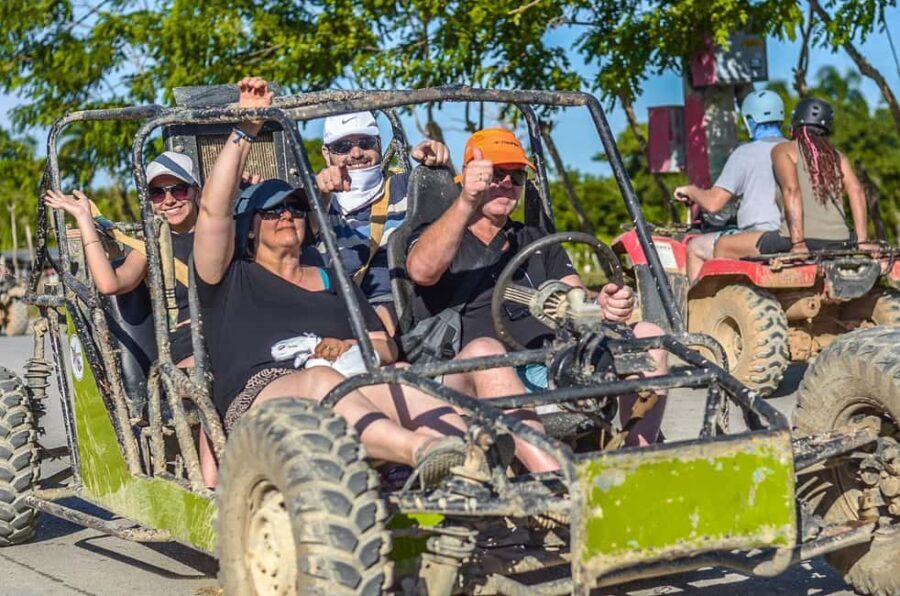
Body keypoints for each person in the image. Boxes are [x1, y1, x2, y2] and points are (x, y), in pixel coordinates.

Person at [194, 77, 469, 486]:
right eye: (272, 211)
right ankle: (422, 451)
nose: (287, 215)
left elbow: (384, 345)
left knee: (400, 375)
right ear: (250, 227)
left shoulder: (332, 277)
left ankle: (470, 455)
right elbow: (213, 211)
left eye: (295, 207)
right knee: (323, 381)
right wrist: (245, 130)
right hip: (260, 400)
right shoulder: (229, 278)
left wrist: (352, 347)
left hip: (343, 385)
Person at [406, 128, 668, 471]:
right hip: (463, 376)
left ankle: (641, 462)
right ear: (469, 176)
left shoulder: (535, 239)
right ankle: (556, 480)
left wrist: (602, 306)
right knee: (488, 353)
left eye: (515, 176)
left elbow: (574, 298)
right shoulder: (440, 233)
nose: (505, 184)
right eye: (494, 175)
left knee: (649, 335)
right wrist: (467, 200)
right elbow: (421, 271)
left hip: (550, 366)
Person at [43, 151, 202, 367]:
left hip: (232, 334)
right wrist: (84, 218)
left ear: (196, 191)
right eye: (157, 194)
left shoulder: (225, 233)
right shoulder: (150, 247)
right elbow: (110, 283)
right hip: (190, 349)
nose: (169, 200)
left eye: (179, 190)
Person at [315, 111, 450, 336]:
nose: (356, 153)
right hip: (332, 315)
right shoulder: (310, 202)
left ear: (379, 144)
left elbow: (454, 216)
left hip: (400, 312)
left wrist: (438, 168)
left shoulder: (410, 187)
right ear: (327, 154)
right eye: (343, 147)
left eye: (365, 143)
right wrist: (319, 194)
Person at [673, 90, 787, 281]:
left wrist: (690, 190)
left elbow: (713, 203)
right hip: (792, 236)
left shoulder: (745, 153)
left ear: (750, 120)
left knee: (694, 247)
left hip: (758, 237)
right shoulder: (795, 150)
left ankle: (699, 300)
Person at [760, 97, 872, 254]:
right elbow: (857, 191)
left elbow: (791, 190)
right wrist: (862, 242)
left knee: (726, 245)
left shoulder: (783, 150)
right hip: (840, 241)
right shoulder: (838, 156)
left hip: (796, 240)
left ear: (795, 124)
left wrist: (798, 244)